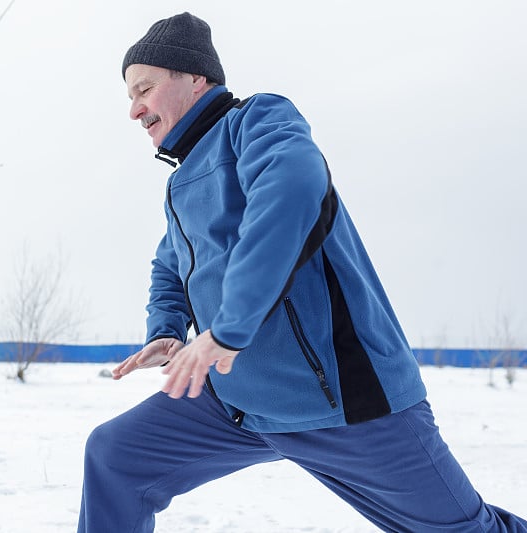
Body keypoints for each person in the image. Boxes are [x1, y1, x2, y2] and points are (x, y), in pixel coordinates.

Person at [76, 11, 526, 533]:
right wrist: (166, 330)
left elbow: (290, 196)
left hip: (342, 401)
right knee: (115, 457)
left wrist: (228, 328)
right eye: (130, 97)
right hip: (237, 403)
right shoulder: (180, 185)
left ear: (195, 77)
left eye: (144, 88)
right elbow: (169, 262)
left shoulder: (258, 123)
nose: (134, 109)